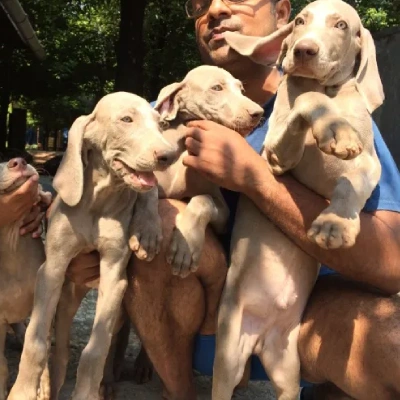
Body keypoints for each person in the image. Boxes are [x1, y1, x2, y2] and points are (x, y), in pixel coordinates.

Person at [66, 0, 400, 399]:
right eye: (200, 4)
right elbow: (84, 193)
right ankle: (181, 391)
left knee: (389, 343)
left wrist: (256, 179)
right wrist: (72, 244)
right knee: (160, 214)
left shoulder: (338, 115)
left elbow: (392, 264)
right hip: (205, 314)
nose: (217, 9)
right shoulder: (161, 117)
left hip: (310, 315)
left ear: (281, 16)